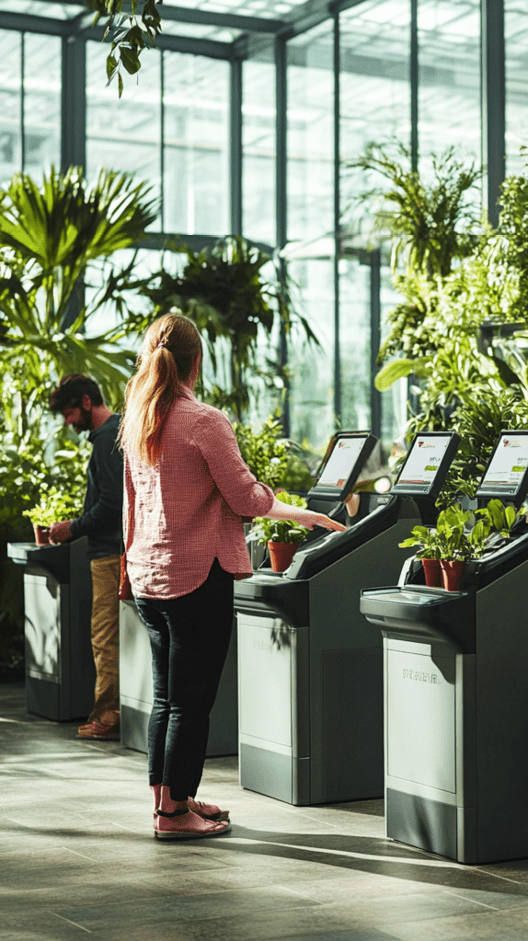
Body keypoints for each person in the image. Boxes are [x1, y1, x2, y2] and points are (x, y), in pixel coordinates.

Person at [121, 313, 346, 840]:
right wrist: (303, 514)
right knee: (191, 700)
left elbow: (131, 505)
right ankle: (174, 816)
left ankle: (168, 800)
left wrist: (130, 567)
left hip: (148, 573)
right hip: (197, 575)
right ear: (197, 362)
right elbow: (246, 497)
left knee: (166, 696)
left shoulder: (139, 419)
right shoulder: (202, 420)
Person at [49, 374, 124, 741]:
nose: (67, 421)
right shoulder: (113, 434)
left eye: (69, 411)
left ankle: (108, 717)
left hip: (110, 554)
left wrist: (72, 528)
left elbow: (111, 504)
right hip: (114, 551)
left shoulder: (109, 437)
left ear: (86, 402)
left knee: (105, 636)